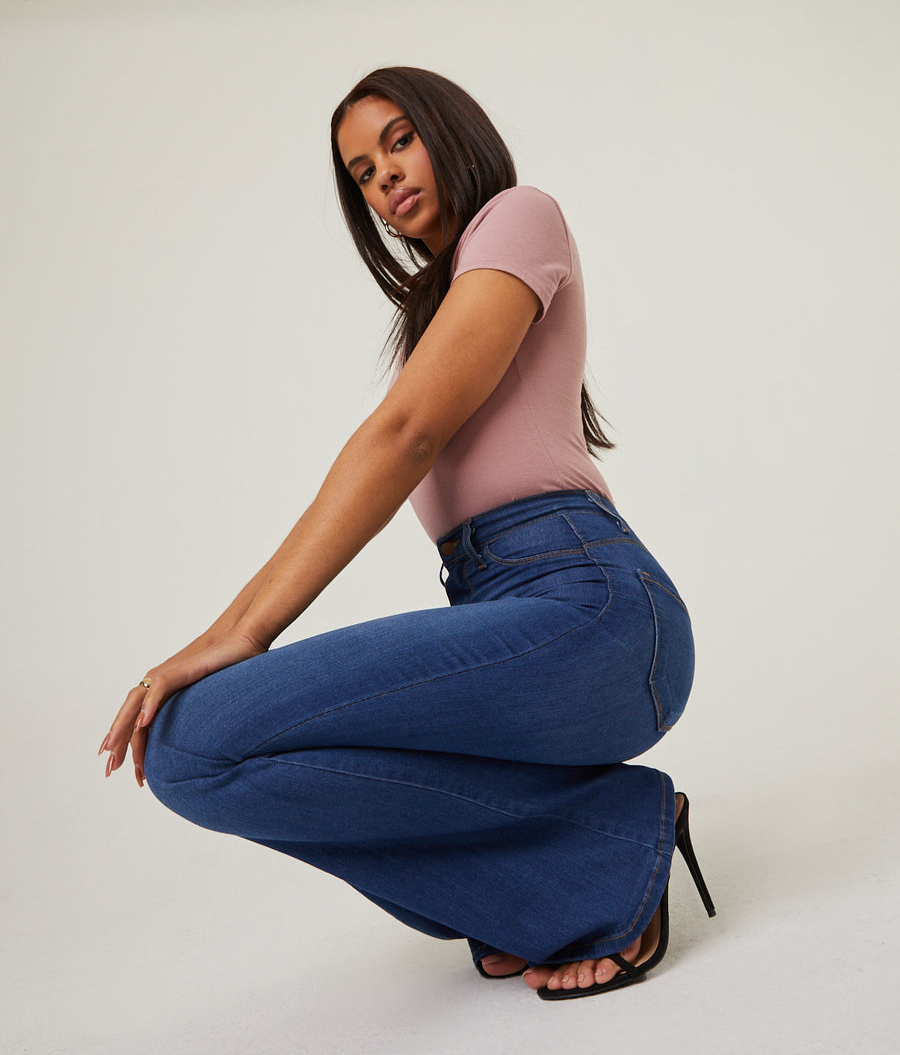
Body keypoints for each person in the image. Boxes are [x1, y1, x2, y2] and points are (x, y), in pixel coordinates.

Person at [98, 66, 714, 1000]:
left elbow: (404, 435)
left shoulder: (520, 215)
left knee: (199, 733)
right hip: (504, 606)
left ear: (451, 131)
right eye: (361, 172)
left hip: (593, 611)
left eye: (398, 141)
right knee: (190, 752)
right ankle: (560, 873)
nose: (382, 175)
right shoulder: (438, 308)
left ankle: (594, 859)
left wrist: (239, 633)